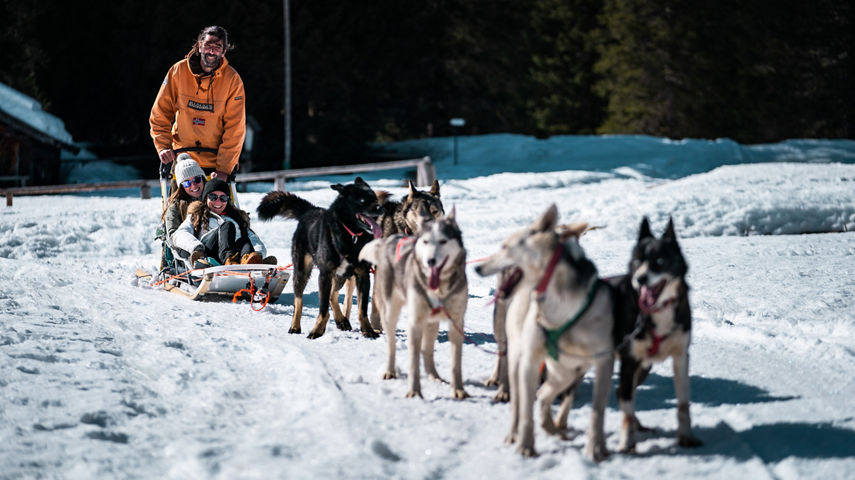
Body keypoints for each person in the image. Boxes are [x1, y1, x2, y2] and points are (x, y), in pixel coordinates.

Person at [149, 25, 246, 182]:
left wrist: (225, 167)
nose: (212, 50)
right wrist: (164, 147)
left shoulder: (232, 80)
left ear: (223, 52)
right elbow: (160, 113)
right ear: (199, 46)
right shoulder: (178, 71)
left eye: (217, 46)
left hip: (216, 166)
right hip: (182, 161)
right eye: (208, 44)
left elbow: (235, 128)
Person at [172, 179, 275, 267]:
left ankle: (251, 263)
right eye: (213, 197)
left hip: (236, 256)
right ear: (205, 197)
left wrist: (258, 253)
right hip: (209, 254)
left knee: (244, 240)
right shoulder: (197, 215)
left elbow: (253, 239)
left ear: (227, 200)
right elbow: (179, 234)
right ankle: (229, 260)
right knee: (227, 226)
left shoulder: (236, 218)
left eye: (223, 198)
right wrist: (197, 247)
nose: (218, 202)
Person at [162, 154, 206, 239]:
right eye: (187, 183)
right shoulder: (176, 206)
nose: (193, 185)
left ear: (203, 179)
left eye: (197, 179)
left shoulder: (214, 198)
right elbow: (173, 235)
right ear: (181, 186)